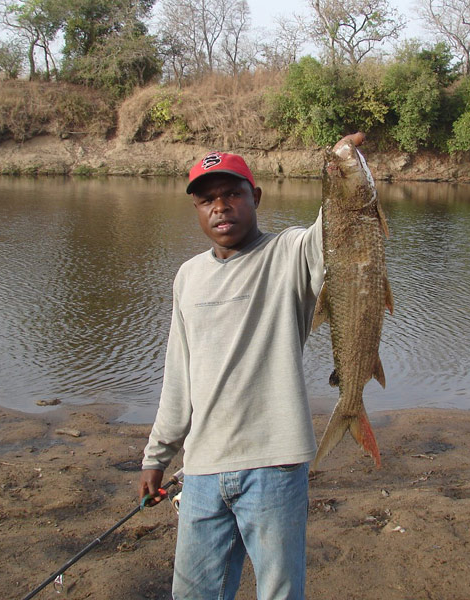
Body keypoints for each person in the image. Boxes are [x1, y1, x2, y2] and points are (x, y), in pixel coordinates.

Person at [138, 145, 330, 599]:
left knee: (279, 592)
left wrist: (342, 166)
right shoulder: (187, 276)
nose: (221, 206)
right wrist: (156, 456)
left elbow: (335, 232)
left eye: (232, 194)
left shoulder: (292, 253)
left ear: (256, 197)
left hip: (275, 466)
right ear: (197, 209)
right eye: (207, 199)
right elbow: (178, 375)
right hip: (202, 468)